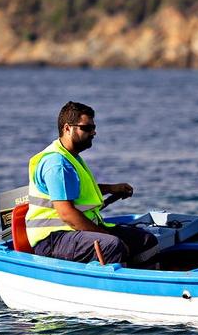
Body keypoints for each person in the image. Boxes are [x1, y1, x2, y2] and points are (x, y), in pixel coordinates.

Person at [25, 101, 158, 265]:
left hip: (71, 231)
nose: (94, 132)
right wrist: (104, 234)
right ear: (67, 128)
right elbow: (67, 214)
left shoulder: (70, 157)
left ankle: (142, 283)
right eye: (87, 128)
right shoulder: (57, 164)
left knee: (145, 240)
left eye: (93, 127)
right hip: (53, 239)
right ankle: (114, 287)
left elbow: (78, 191)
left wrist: (110, 189)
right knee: (111, 245)